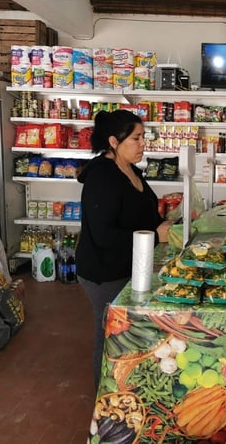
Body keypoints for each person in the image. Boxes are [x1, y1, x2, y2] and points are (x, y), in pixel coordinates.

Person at [76, 109, 172, 389]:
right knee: (109, 333)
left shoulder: (131, 169)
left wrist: (167, 223)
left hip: (128, 265)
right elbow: (104, 235)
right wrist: (156, 235)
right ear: (114, 142)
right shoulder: (102, 178)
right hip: (103, 271)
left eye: (144, 137)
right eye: (136, 138)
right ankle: (103, 397)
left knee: (128, 332)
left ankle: (126, 387)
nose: (143, 143)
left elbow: (143, 212)